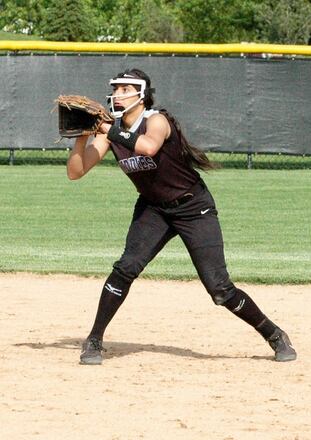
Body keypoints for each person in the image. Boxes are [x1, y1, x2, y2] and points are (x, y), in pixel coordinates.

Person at [67, 68, 296, 365]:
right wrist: (81, 138)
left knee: (219, 288)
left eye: (126, 89)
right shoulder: (111, 134)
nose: (118, 94)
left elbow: (148, 147)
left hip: (193, 208)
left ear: (142, 94)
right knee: (126, 268)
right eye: (116, 89)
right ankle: (95, 340)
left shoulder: (156, 120)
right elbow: (76, 171)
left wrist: (108, 129)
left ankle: (274, 334)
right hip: (154, 209)